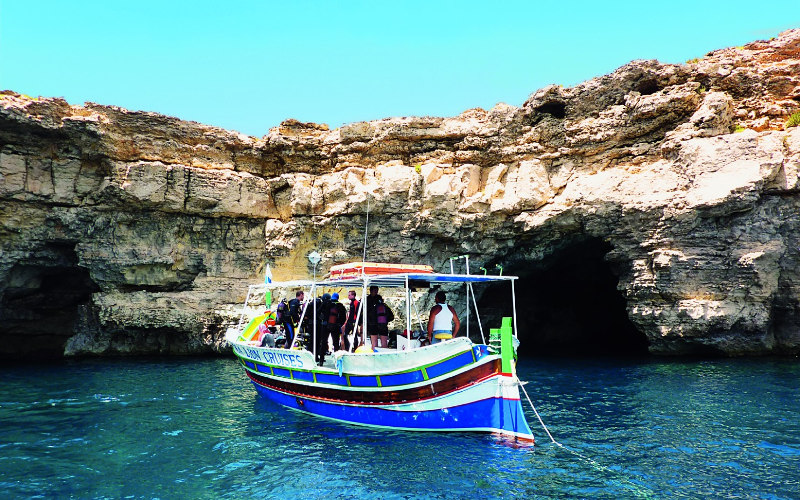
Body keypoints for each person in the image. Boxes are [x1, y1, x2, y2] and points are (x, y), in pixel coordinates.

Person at [314, 293, 332, 365]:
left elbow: (317, 311)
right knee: (335, 342)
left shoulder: (323, 304)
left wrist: (321, 317)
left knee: (323, 341)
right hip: (333, 324)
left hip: (324, 324)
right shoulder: (332, 303)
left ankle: (321, 360)